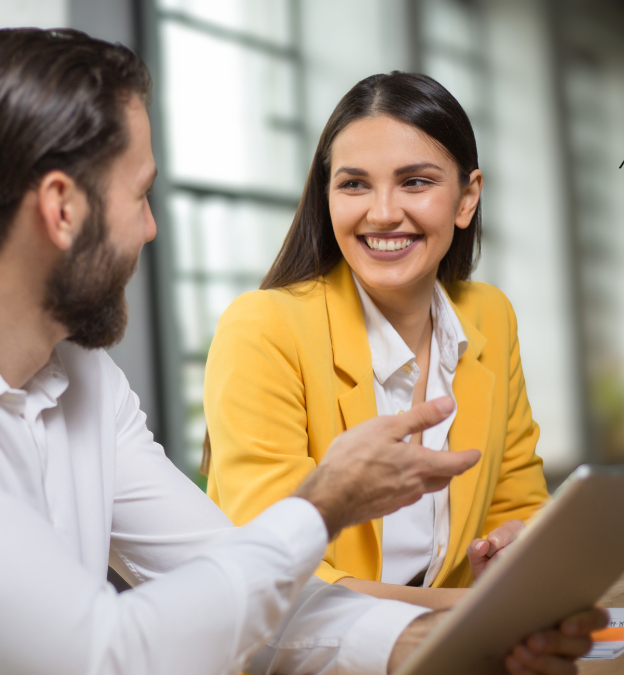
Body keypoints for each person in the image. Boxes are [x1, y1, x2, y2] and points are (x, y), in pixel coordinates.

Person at [0, 31, 601, 675]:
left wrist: (458, 637)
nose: (153, 228)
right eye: (141, 195)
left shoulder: (83, 378)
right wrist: (322, 505)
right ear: (62, 209)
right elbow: (102, 656)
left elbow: (247, 594)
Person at [203, 72, 548, 612]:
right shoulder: (263, 329)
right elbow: (276, 572)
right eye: (354, 184)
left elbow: (519, 499)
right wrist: (470, 612)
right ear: (327, 196)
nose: (382, 212)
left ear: (467, 197)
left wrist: (511, 547)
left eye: (415, 182)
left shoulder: (490, 316)